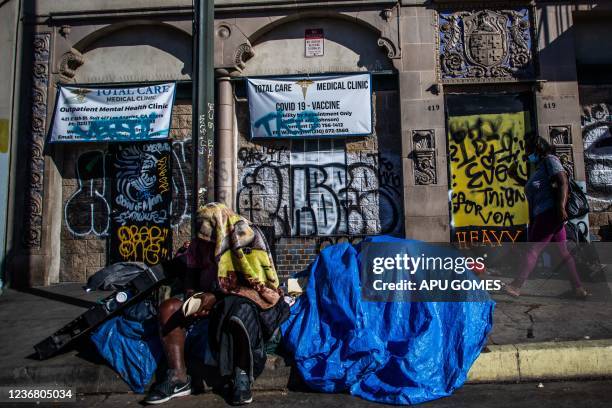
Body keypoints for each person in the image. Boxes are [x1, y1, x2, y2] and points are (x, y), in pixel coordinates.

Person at [144, 203, 288, 405]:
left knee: (237, 310)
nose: (205, 243)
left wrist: (215, 297)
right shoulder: (197, 245)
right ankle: (178, 377)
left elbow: (259, 285)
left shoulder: (248, 238)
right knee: (169, 308)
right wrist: (193, 298)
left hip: (246, 302)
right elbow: (191, 277)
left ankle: (242, 374)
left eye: (210, 239)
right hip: (207, 300)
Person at [505, 135, 588, 299]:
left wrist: (560, 206)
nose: (527, 153)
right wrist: (515, 177)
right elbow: (536, 188)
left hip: (548, 213)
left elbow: (562, 180)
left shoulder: (550, 160)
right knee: (562, 252)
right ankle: (578, 289)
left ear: (537, 148)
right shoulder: (541, 166)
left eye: (528, 149)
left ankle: (516, 286)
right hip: (548, 214)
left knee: (533, 249)